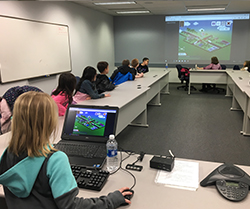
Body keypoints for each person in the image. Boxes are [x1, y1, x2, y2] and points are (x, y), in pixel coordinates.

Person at [0, 91, 132, 209]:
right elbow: (71, 206)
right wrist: (111, 200)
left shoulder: (7, 154)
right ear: (49, 122)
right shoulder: (55, 160)